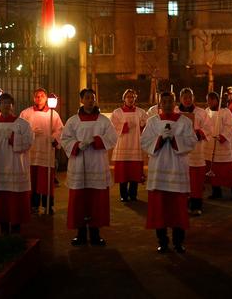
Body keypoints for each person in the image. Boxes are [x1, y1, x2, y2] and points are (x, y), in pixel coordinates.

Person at [141, 91, 197, 253]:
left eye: (170, 101)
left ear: (174, 103)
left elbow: (192, 142)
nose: (167, 104)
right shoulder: (152, 122)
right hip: (159, 170)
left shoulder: (184, 122)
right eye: (164, 101)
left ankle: (178, 241)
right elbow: (144, 142)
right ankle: (162, 241)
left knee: (178, 208)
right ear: (160, 104)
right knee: (160, 208)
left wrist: (174, 139)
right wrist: (159, 139)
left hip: (177, 169)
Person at [61, 88, 118, 246]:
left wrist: (97, 141)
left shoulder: (103, 120)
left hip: (97, 163)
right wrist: (77, 145)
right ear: (81, 100)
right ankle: (80, 234)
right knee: (79, 199)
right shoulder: (73, 120)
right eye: (87, 98)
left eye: (92, 98)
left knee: (96, 200)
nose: (90, 100)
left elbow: (112, 137)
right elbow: (65, 139)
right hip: (79, 163)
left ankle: (95, 233)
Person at [0, 93, 34, 235]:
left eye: (9, 103)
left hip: (16, 165)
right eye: (3, 103)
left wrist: (14, 139)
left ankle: (16, 226)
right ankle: (4, 227)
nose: (6, 105)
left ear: (13, 105)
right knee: (2, 199)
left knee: (16, 198)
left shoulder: (23, 124)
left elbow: (29, 142)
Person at [20, 88, 64, 214]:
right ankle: (33, 205)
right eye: (36, 96)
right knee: (32, 180)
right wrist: (30, 132)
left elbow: (60, 130)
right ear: (33, 98)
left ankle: (47, 205)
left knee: (46, 180)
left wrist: (54, 138)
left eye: (42, 96)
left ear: (46, 98)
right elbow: (19, 129)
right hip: (31, 152)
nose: (39, 98)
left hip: (46, 150)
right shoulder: (26, 113)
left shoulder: (53, 114)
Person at [110, 89, 148, 202]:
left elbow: (147, 126)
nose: (130, 99)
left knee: (134, 171)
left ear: (135, 98)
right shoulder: (117, 112)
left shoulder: (141, 112)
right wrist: (124, 126)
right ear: (124, 98)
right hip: (122, 145)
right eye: (128, 97)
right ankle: (123, 194)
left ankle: (133, 194)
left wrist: (143, 125)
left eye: (132, 97)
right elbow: (112, 128)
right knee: (123, 171)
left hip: (136, 144)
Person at [176, 88, 210, 214]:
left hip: (196, 150)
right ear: (180, 99)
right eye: (184, 97)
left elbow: (208, 127)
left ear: (193, 98)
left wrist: (199, 132)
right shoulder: (175, 112)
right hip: (180, 150)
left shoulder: (201, 112)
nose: (187, 100)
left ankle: (196, 205)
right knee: (181, 178)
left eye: (189, 97)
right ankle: (182, 205)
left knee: (196, 179)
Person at [205, 91, 232, 199]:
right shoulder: (206, 112)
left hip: (223, 147)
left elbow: (230, 126)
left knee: (227, 171)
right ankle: (216, 191)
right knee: (213, 171)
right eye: (208, 100)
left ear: (217, 100)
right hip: (210, 146)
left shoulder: (225, 112)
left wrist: (222, 136)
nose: (210, 102)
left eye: (212, 99)